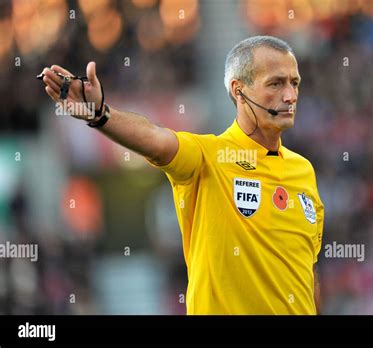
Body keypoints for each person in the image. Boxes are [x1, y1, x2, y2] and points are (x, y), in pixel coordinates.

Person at [40, 35, 324, 315]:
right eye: (275, 83)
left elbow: (306, 273)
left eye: (294, 83)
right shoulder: (209, 156)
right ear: (239, 91)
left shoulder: (303, 171)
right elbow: (156, 139)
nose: (290, 96)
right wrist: (100, 114)